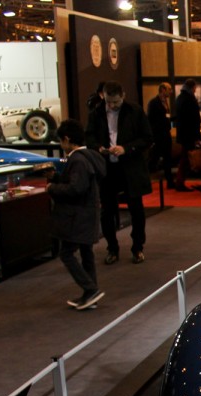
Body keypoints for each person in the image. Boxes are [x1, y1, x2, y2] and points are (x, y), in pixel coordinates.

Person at [85, 80, 153, 265]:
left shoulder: (135, 111)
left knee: (136, 210)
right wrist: (98, 148)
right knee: (107, 211)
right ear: (103, 97)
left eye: (115, 101)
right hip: (107, 168)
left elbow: (147, 138)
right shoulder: (96, 113)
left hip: (130, 167)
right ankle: (112, 248)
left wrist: (127, 148)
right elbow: (88, 136)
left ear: (123, 96)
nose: (112, 105)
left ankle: (138, 247)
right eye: (108, 101)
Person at [46, 119, 107, 310]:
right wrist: (56, 178)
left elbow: (76, 188)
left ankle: (90, 289)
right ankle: (91, 292)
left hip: (77, 216)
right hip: (87, 214)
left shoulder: (78, 159)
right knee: (86, 252)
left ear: (66, 139)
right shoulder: (89, 157)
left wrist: (52, 187)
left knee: (66, 253)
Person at [173, 78, 201, 192]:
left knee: (187, 159)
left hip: (183, 134)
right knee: (188, 159)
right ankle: (180, 183)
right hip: (189, 135)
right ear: (193, 87)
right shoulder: (189, 99)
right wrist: (196, 136)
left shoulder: (180, 98)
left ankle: (180, 182)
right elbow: (193, 119)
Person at [146, 82, 174, 188]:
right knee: (153, 159)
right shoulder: (153, 103)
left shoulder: (166, 102)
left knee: (168, 159)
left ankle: (170, 182)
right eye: (169, 89)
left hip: (166, 134)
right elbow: (150, 120)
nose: (171, 91)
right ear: (162, 89)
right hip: (158, 136)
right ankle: (145, 180)